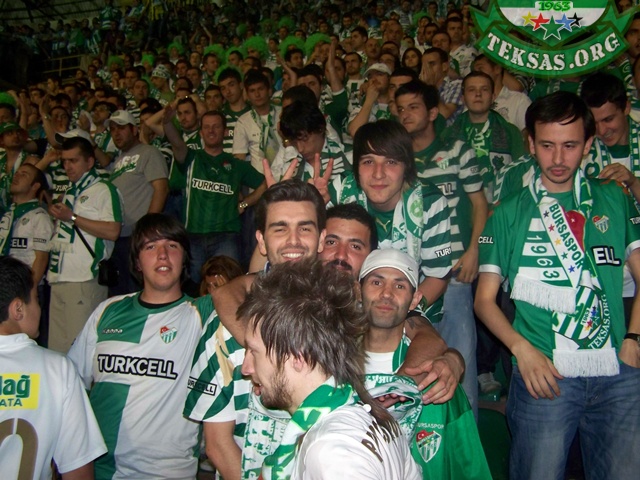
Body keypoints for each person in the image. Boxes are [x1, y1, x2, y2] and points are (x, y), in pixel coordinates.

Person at [474, 91, 640, 479]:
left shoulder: (614, 199)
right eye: (547, 145)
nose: (559, 159)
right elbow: (483, 300)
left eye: (570, 145)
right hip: (544, 371)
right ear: (530, 144)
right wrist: (522, 350)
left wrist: (634, 338)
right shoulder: (508, 211)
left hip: (617, 366)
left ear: (588, 144)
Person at [239, 258, 421, 479]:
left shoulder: (332, 451)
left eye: (254, 352)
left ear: (298, 356)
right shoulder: (377, 418)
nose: (246, 368)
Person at [68, 213, 203, 480]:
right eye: (150, 247)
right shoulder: (108, 310)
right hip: (99, 469)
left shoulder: (202, 314)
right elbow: (72, 385)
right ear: (137, 262)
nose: (162, 255)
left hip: (166, 473)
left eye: (172, 245)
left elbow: (252, 288)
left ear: (185, 258)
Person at [395, 79, 488, 414]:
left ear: (433, 112)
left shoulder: (458, 149)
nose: (406, 115)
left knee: (459, 358)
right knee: (416, 361)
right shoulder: (398, 158)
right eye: (400, 109)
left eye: (414, 107)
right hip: (411, 276)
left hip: (453, 272)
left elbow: (480, 204)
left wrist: (474, 249)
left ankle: (467, 434)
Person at [359, 249, 491, 479]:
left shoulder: (439, 377)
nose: (386, 293)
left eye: (399, 286)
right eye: (376, 282)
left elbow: (468, 465)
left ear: (415, 300)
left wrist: (454, 358)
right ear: (358, 293)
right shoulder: (331, 365)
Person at [0, 256, 106, 480]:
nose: (39, 308)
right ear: (18, 309)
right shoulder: (57, 369)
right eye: (36, 299)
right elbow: (78, 470)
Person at [163, 107, 266, 279]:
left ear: (225, 132)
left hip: (226, 236)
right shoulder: (191, 158)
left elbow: (265, 184)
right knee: (196, 286)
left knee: (228, 285)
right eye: (206, 127)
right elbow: (177, 143)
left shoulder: (236, 164)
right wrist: (167, 123)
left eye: (216, 126)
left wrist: (244, 203)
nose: (211, 130)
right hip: (193, 235)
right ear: (201, 132)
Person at [46, 137, 122, 353]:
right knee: (57, 352)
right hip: (59, 277)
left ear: (89, 162)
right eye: (64, 161)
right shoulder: (70, 192)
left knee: (79, 351)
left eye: (73, 160)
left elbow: (113, 231)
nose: (67, 166)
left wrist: (72, 218)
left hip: (84, 279)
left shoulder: (104, 190)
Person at [108, 109, 169, 295]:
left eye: (121, 128)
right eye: (113, 129)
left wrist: (147, 229)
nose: (116, 133)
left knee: (139, 290)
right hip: (118, 235)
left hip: (137, 235)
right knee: (122, 292)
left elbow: (161, 188)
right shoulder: (118, 160)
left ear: (134, 130)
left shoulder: (149, 152)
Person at [0, 164, 52, 286]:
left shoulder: (39, 216)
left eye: (24, 175)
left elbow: (41, 257)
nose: (16, 176)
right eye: (17, 173)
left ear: (35, 186)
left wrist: (31, 288)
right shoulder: (7, 214)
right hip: (4, 283)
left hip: (24, 285)